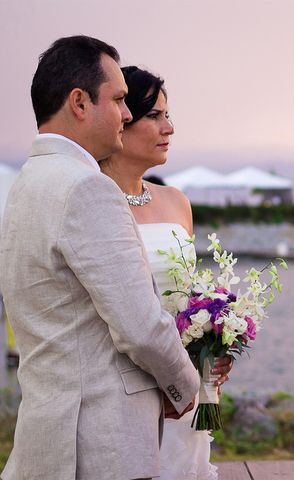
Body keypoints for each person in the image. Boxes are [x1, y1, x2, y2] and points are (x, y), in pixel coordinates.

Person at [0, 36, 200, 480]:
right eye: (118, 100)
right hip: (101, 447)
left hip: (48, 436)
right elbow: (141, 327)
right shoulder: (88, 189)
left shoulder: (26, 184)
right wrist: (189, 387)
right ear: (79, 103)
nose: (126, 114)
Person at [99, 66, 233, 480]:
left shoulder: (177, 202)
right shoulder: (94, 202)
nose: (169, 128)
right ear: (123, 120)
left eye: (168, 115)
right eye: (154, 116)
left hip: (188, 395)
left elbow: (192, 301)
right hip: (126, 391)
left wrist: (212, 357)